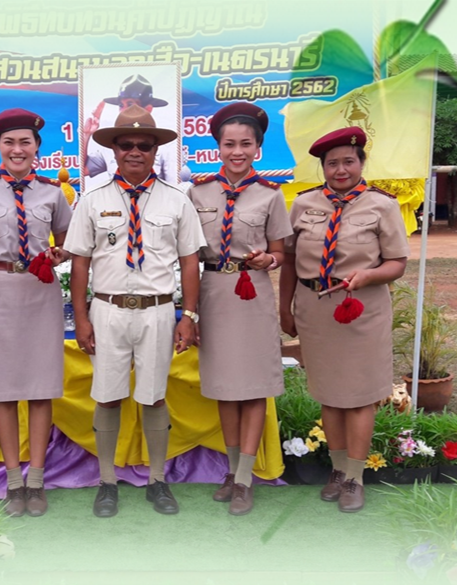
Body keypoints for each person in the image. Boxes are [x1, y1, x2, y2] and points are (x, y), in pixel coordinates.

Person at [64, 105, 205, 517]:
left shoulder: (177, 200)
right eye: (127, 144)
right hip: (107, 311)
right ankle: (107, 481)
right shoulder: (93, 200)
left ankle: (157, 480)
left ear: (156, 150)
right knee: (107, 397)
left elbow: (190, 262)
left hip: (157, 311)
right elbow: (80, 263)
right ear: (114, 150)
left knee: (154, 397)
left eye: (145, 145)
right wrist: (82, 317)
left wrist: (189, 316)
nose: (135, 152)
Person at [279, 127, 408, 513]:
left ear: (361, 163)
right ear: (322, 167)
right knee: (329, 394)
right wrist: (285, 308)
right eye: (332, 163)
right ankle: (337, 471)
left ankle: (355, 477)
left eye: (348, 161)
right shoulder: (303, 204)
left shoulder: (381, 205)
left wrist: (368, 275)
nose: (340, 170)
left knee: (360, 396)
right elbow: (289, 261)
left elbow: (397, 263)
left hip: (361, 309)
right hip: (315, 307)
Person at [0, 108, 72, 517]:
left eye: (25, 142)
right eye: (9, 142)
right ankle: (12, 481)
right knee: (3, 391)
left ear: (38, 147)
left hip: (40, 291)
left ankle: (36, 480)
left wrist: (59, 254)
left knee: (41, 389)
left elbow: (69, 244)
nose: (17, 149)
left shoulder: (53, 193)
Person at [186, 103, 292, 515]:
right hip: (214, 291)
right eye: (229, 144)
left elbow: (281, 250)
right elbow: (189, 254)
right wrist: (190, 312)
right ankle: (231, 471)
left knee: (253, 387)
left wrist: (270, 259)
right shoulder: (198, 192)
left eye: (246, 144)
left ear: (257, 148)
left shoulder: (270, 194)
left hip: (252, 293)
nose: (237, 152)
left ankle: (245, 477)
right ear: (218, 146)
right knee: (225, 388)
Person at [85, 75, 186, 186]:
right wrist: (86, 134)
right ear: (115, 149)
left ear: (148, 109)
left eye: (130, 104)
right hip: (117, 196)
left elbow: (173, 187)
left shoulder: (166, 148)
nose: (134, 153)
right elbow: (84, 169)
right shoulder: (111, 145)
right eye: (125, 146)